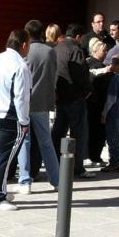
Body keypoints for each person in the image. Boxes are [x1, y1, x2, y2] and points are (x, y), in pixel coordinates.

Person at [0, 30, 32, 211]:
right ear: (24, 45)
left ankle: (1, 190)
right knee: (5, 158)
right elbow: (22, 98)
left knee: (3, 155)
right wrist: (24, 121)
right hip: (11, 116)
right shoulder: (21, 66)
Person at [15, 20, 60, 193]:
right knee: (46, 142)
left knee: (24, 141)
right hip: (41, 102)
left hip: (24, 102)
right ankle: (56, 179)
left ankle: (25, 181)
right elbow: (52, 78)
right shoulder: (50, 52)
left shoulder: (23, 52)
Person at [52, 23, 94, 179]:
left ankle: (55, 162)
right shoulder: (75, 50)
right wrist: (87, 90)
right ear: (78, 37)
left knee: (58, 131)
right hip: (75, 97)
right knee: (78, 133)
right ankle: (77, 167)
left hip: (59, 96)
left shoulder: (56, 49)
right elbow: (81, 74)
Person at [85, 37, 113, 167]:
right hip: (96, 103)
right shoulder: (96, 66)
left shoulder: (89, 63)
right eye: (103, 51)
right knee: (97, 131)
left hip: (94, 103)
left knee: (93, 130)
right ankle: (94, 155)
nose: (106, 53)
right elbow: (92, 76)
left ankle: (92, 155)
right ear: (95, 51)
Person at [101, 54, 119, 172]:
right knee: (117, 137)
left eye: (113, 64)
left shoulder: (115, 79)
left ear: (118, 66)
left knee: (112, 138)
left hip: (113, 113)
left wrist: (104, 113)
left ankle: (114, 161)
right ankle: (116, 161)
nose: (110, 66)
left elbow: (111, 99)